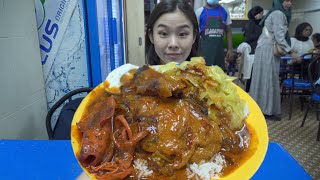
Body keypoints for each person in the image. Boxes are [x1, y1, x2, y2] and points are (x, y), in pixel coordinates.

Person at [249, 0, 300, 121]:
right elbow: (279, 36)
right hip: (268, 50)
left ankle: (260, 109)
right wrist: (291, 51)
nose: (289, 4)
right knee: (268, 79)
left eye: (291, 1)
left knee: (263, 79)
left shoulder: (276, 12)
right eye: (286, 1)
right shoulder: (278, 14)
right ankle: (266, 110)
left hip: (265, 49)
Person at [146, 0, 200, 65]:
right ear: (151, 36)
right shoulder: (137, 74)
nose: (173, 44)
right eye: (164, 34)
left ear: (194, 37)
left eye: (182, 34)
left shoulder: (209, 74)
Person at [195, 0, 233, 69]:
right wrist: (196, 53)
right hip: (204, 55)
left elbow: (228, 31)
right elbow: (195, 34)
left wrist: (230, 49)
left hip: (219, 54)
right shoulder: (199, 12)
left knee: (219, 77)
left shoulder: (224, 11)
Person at [242, 5, 264, 92]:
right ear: (256, 14)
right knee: (251, 74)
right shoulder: (251, 23)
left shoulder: (258, 23)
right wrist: (260, 34)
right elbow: (248, 37)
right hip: (252, 51)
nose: (262, 15)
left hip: (257, 50)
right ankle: (249, 92)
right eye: (261, 13)